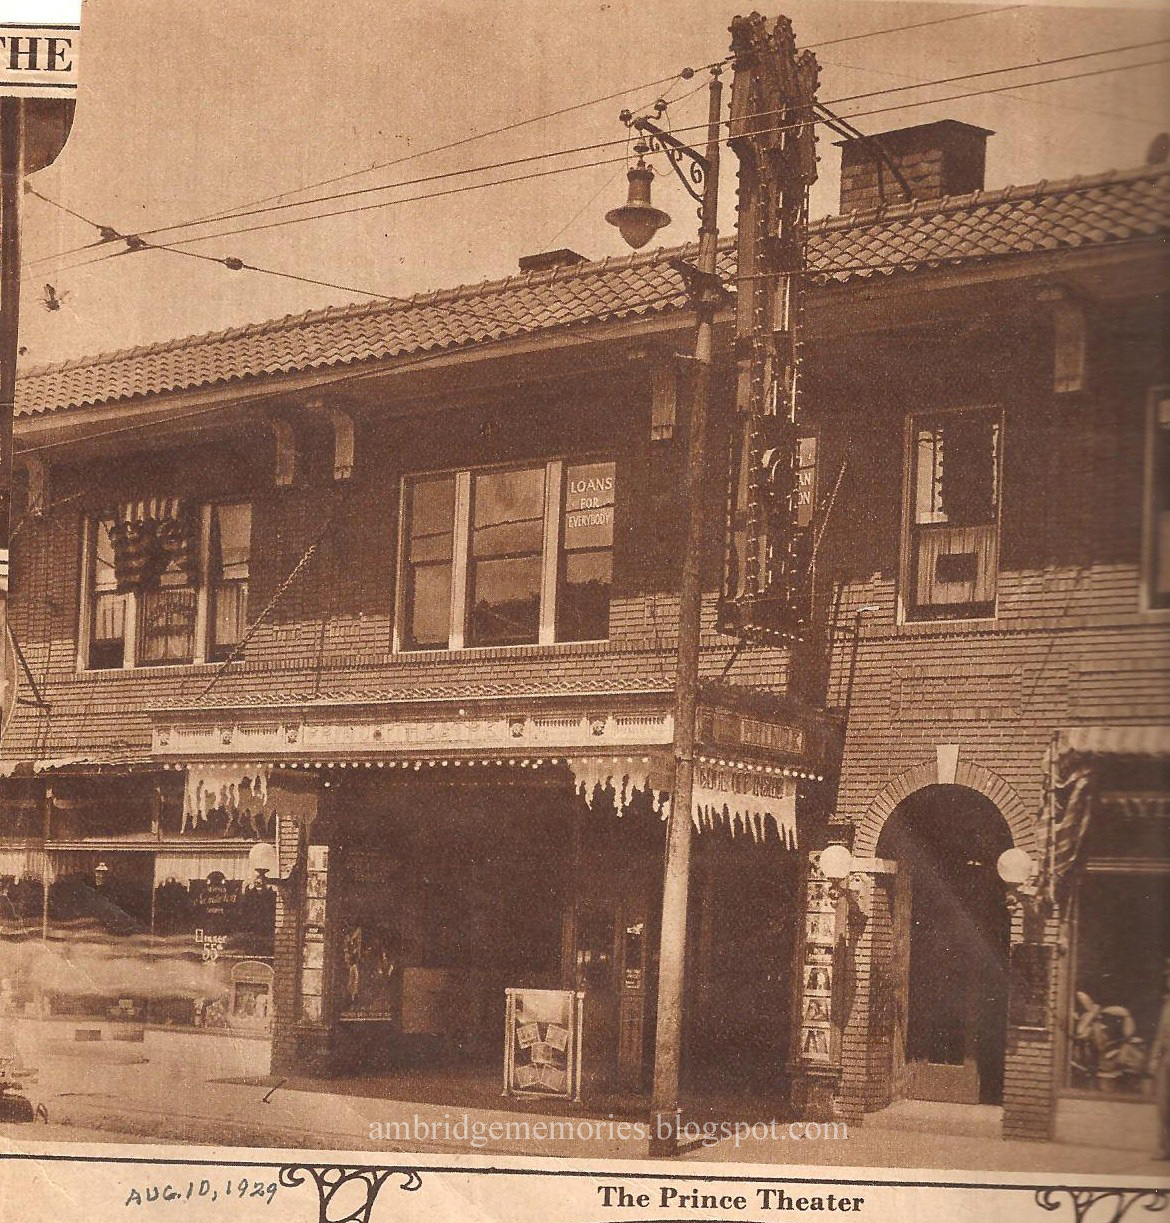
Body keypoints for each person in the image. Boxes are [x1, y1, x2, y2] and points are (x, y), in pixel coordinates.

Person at [1151, 958, 1170, 1159]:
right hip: (1167, 1061)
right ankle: (1164, 1149)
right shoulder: (1167, 1005)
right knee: (1164, 1106)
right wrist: (1154, 1059)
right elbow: (1160, 1036)